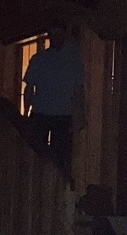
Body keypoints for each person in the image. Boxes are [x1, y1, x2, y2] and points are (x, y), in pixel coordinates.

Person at [23, 22, 85, 168]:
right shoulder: (39, 59)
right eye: (53, 34)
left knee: (62, 157)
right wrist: (26, 113)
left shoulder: (73, 59)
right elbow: (29, 88)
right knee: (37, 156)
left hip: (63, 115)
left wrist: (81, 115)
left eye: (58, 33)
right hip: (40, 113)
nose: (55, 37)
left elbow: (79, 90)